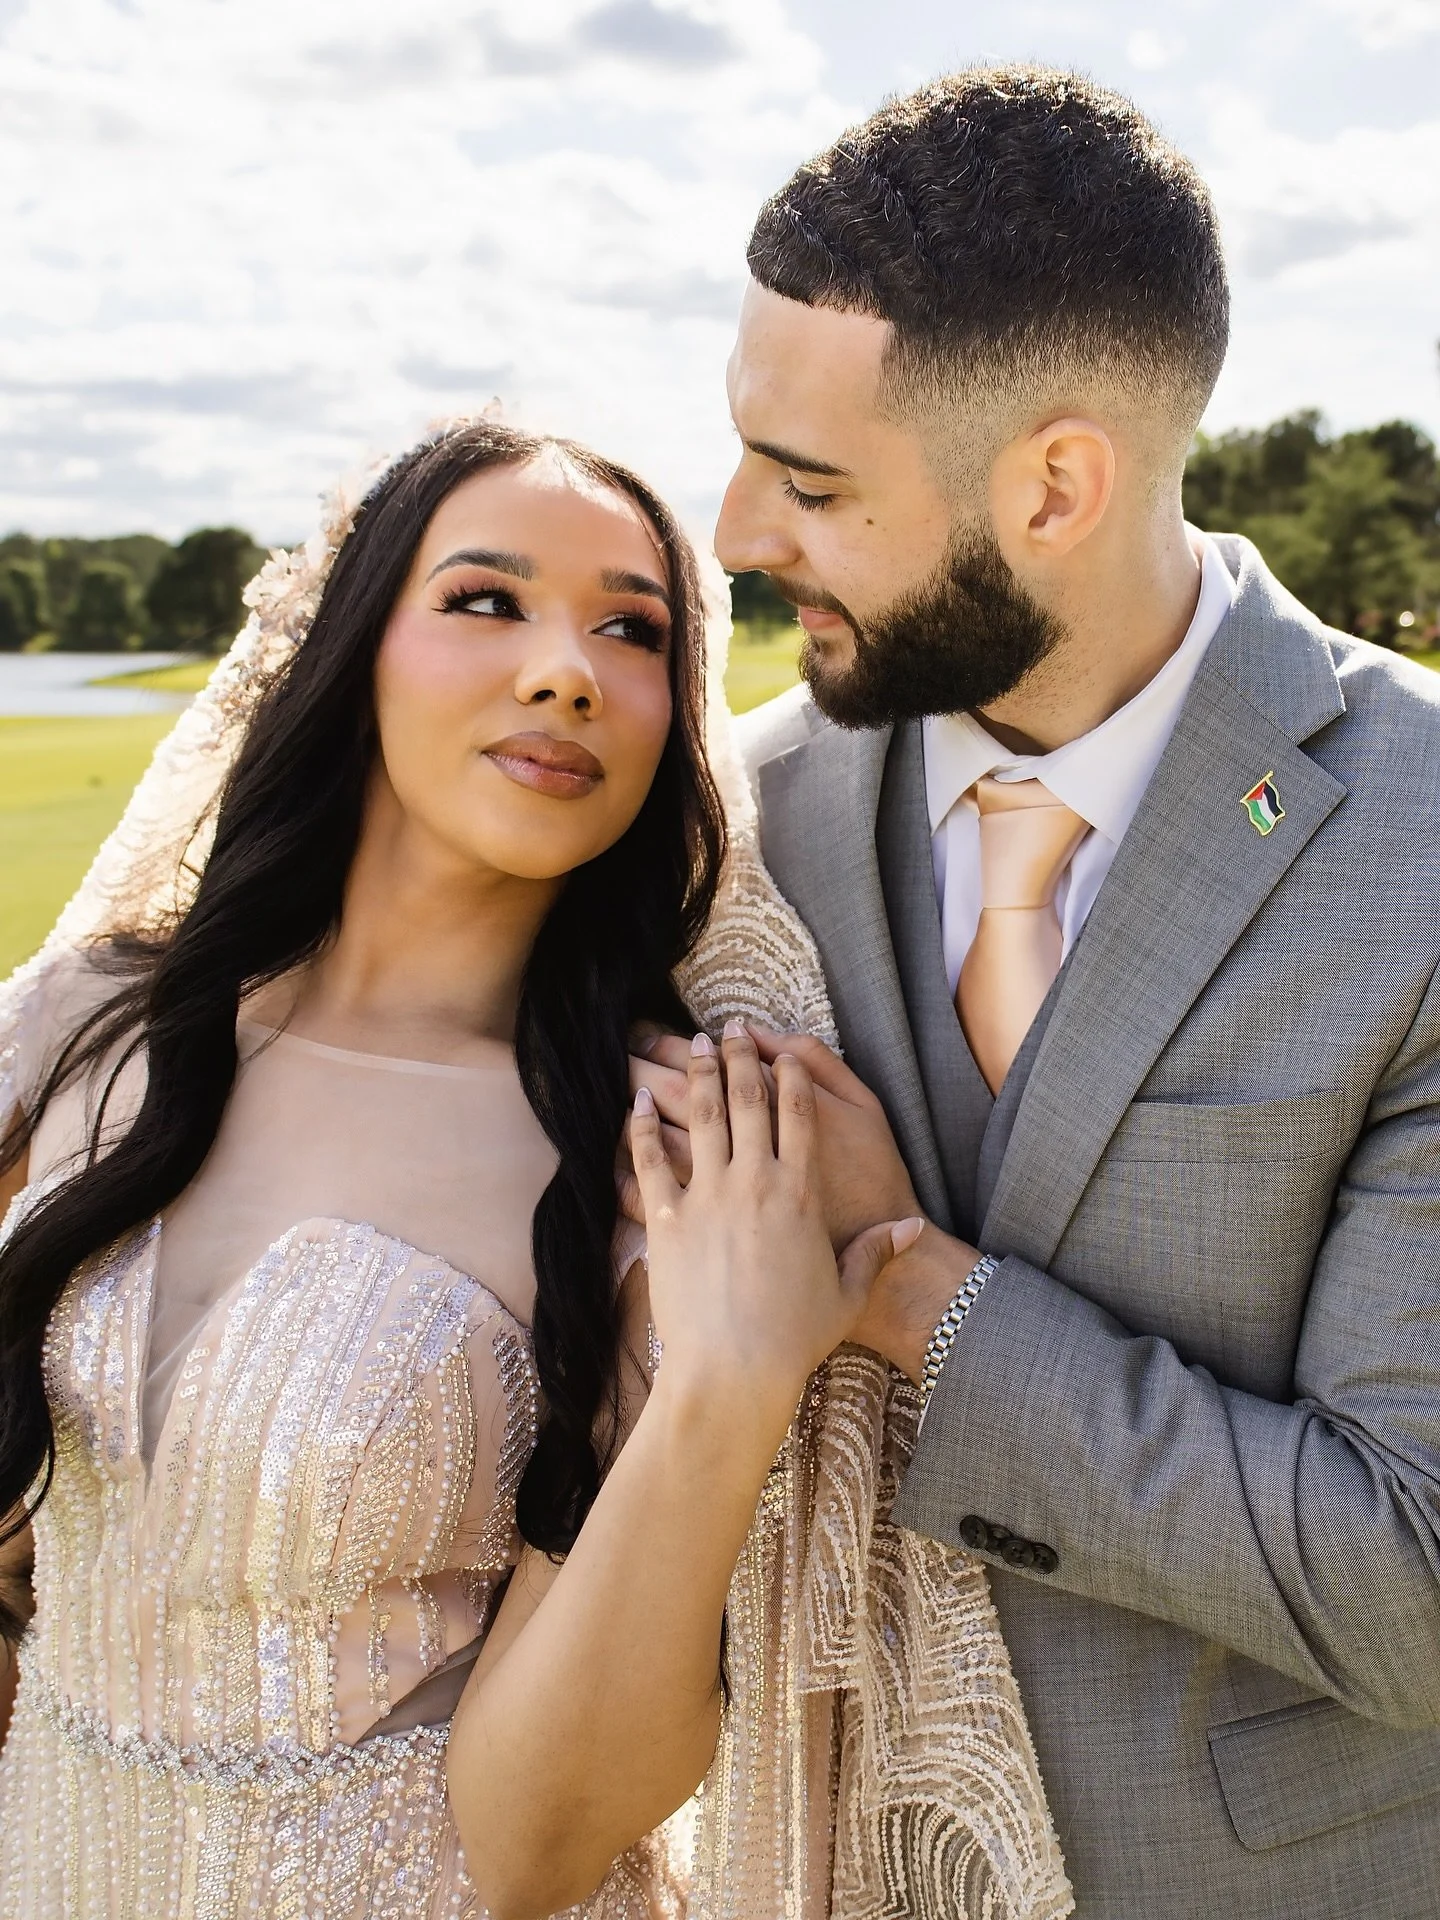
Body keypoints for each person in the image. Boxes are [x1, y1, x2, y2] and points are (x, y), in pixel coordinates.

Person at [0, 417, 1070, 1919]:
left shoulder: (656, 1157)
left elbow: (535, 1846)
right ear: (353, 647)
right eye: (486, 599)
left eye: (630, 629)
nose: (566, 668)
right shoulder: (78, 1031)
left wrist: (725, 1386)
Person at [686, 62, 1440, 1919]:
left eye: (810, 480)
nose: (733, 534)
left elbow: (1415, 1580)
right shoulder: (733, 819)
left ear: (1054, 484)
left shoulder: (1423, 849)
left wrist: (918, 1301)